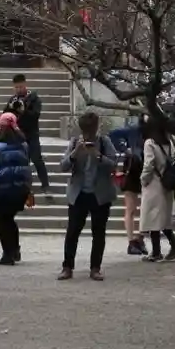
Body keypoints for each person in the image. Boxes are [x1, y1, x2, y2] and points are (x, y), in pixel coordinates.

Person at [57, 111, 118, 281]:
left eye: (91, 131)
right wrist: (75, 153)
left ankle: (95, 268)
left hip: (100, 194)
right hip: (79, 194)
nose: (88, 135)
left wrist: (98, 155)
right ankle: (67, 267)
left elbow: (114, 165)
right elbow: (63, 166)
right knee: (72, 232)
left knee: (98, 233)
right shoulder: (75, 142)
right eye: (85, 132)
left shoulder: (105, 142)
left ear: (96, 128)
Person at [0, 112, 32, 265]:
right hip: (20, 189)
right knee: (10, 219)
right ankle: (15, 249)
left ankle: (8, 254)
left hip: (3, 190)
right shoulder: (24, 145)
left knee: (4, 222)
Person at [141, 114, 175, 262]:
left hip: (154, 183)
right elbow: (174, 160)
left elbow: (149, 164)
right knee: (163, 219)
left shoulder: (150, 143)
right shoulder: (168, 142)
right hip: (167, 182)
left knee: (153, 218)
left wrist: (143, 179)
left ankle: (157, 252)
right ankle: (174, 247)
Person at [106, 116, 147, 256]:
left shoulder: (155, 132)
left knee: (147, 208)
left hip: (149, 170)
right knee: (131, 208)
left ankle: (140, 238)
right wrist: (125, 149)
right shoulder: (133, 130)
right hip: (132, 169)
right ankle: (131, 241)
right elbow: (112, 135)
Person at [8, 74, 50, 194]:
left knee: (37, 159)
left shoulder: (34, 99)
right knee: (21, 161)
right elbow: (6, 114)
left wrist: (24, 110)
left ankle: (46, 186)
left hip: (32, 134)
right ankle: (24, 185)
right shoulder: (13, 100)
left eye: (20, 87)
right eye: (16, 87)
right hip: (18, 134)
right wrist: (11, 109)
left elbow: (35, 115)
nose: (18, 89)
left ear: (25, 84)